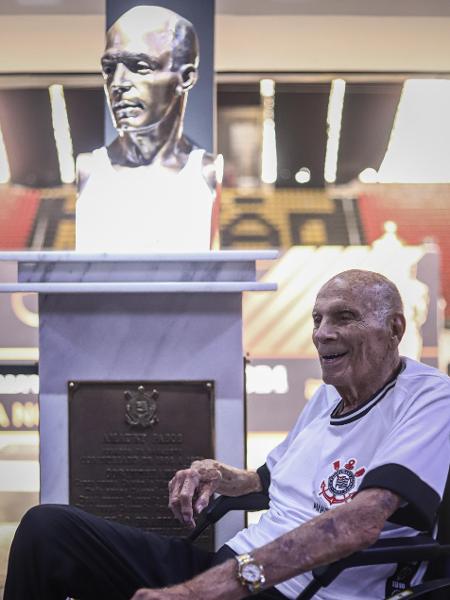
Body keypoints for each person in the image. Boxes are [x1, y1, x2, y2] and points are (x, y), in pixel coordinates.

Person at [4, 270, 450, 599]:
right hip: (235, 567)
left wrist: (206, 590)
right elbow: (266, 483)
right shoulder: (327, 398)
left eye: (344, 317)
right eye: (317, 319)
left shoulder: (429, 399)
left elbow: (359, 522)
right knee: (48, 529)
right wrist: (218, 474)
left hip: (296, 590)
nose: (322, 333)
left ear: (394, 328)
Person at [75, 6, 221, 253]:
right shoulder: (88, 169)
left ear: (185, 78)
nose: (118, 84)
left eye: (140, 66)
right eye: (109, 69)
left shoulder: (207, 171)